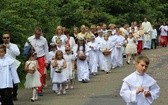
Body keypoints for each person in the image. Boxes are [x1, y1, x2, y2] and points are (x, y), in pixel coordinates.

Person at [24, 27, 49, 96]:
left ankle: (39, 89)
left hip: (41, 57)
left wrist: (47, 61)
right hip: (32, 58)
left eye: (39, 34)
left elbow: (46, 50)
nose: (38, 35)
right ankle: (34, 88)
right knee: (32, 73)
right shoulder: (29, 39)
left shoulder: (44, 40)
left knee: (41, 73)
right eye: (37, 34)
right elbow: (25, 49)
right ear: (34, 33)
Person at [2, 32, 20, 101]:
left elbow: (18, 53)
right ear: (2, 39)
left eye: (7, 38)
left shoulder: (14, 45)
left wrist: (9, 47)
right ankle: (5, 94)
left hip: (13, 65)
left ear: (9, 38)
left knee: (14, 81)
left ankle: (14, 94)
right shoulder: (1, 46)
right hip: (4, 67)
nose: (6, 39)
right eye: (4, 38)